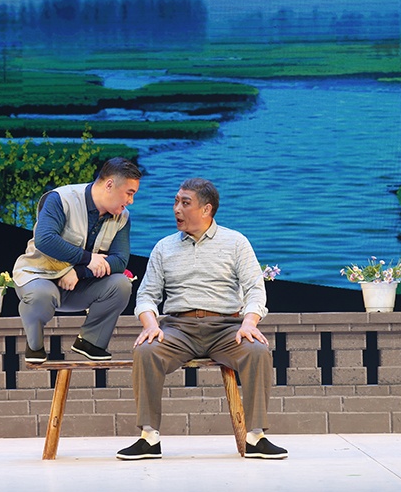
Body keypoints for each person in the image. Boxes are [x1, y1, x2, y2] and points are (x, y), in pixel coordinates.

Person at [117, 177, 287, 460]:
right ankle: (149, 438)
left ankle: (256, 436)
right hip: (178, 328)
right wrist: (150, 324)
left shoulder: (236, 242)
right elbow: (146, 295)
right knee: (146, 350)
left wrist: (249, 323)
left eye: (185, 203)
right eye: (176, 201)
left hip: (226, 328)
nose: (177, 209)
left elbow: (255, 290)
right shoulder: (164, 247)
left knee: (257, 350)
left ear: (207, 209)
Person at [13, 157, 141, 363]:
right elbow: (45, 240)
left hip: (79, 285)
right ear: (109, 185)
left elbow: (119, 261)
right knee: (41, 296)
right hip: (40, 276)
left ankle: (90, 342)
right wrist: (87, 259)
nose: (131, 201)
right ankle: (34, 345)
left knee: (121, 284)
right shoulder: (61, 199)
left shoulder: (122, 217)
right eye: (129, 193)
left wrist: (79, 271)